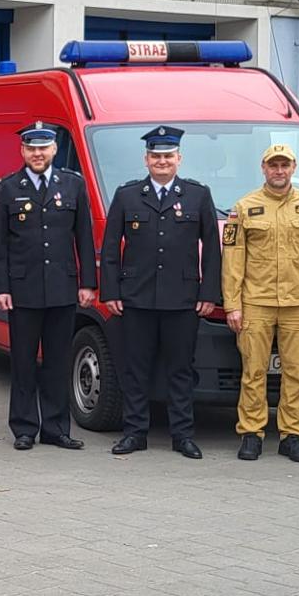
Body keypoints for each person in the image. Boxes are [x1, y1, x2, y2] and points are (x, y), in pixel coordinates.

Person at [100, 126, 221, 460]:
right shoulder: (127, 195)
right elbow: (110, 249)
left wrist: (209, 293)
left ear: (179, 158)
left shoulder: (197, 195)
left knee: (180, 370)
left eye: (168, 156)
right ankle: (134, 432)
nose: (162, 161)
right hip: (136, 299)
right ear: (146, 159)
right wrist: (111, 291)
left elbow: (212, 250)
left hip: (182, 299)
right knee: (135, 369)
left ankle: (182, 435)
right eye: (156, 156)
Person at [0, 121, 95, 451]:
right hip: (23, 291)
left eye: (43, 148)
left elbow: (84, 238)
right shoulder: (7, 188)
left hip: (62, 288)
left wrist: (88, 283)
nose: (37, 154)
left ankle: (56, 428)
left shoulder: (73, 185)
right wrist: (1, 288)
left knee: (57, 362)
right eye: (31, 148)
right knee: (22, 362)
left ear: (54, 149)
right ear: (23, 151)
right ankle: (24, 428)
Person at [222, 144, 299, 463]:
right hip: (255, 301)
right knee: (253, 371)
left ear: (294, 167)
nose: (279, 171)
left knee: (296, 372)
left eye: (284, 165)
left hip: (298, 302)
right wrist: (232, 304)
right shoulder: (244, 207)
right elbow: (233, 259)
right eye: (273, 165)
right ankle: (251, 433)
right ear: (264, 168)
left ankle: (292, 435)